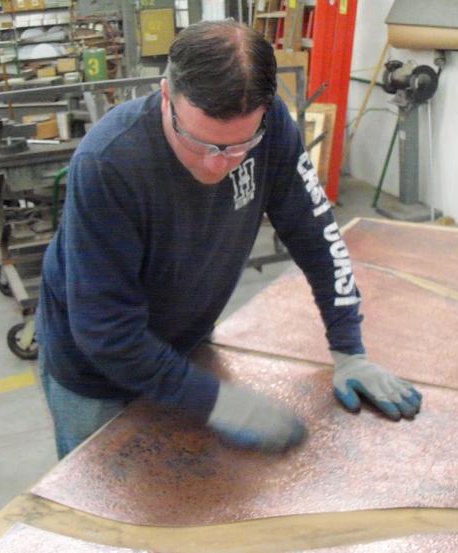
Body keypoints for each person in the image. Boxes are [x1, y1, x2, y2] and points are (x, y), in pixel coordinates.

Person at [36, 19, 422, 460]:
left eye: (238, 148)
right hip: (93, 373)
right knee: (102, 501)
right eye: (200, 144)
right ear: (167, 96)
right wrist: (216, 401)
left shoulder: (271, 124)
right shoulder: (109, 164)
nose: (219, 166)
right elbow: (104, 331)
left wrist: (349, 348)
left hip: (185, 342)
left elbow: (315, 233)